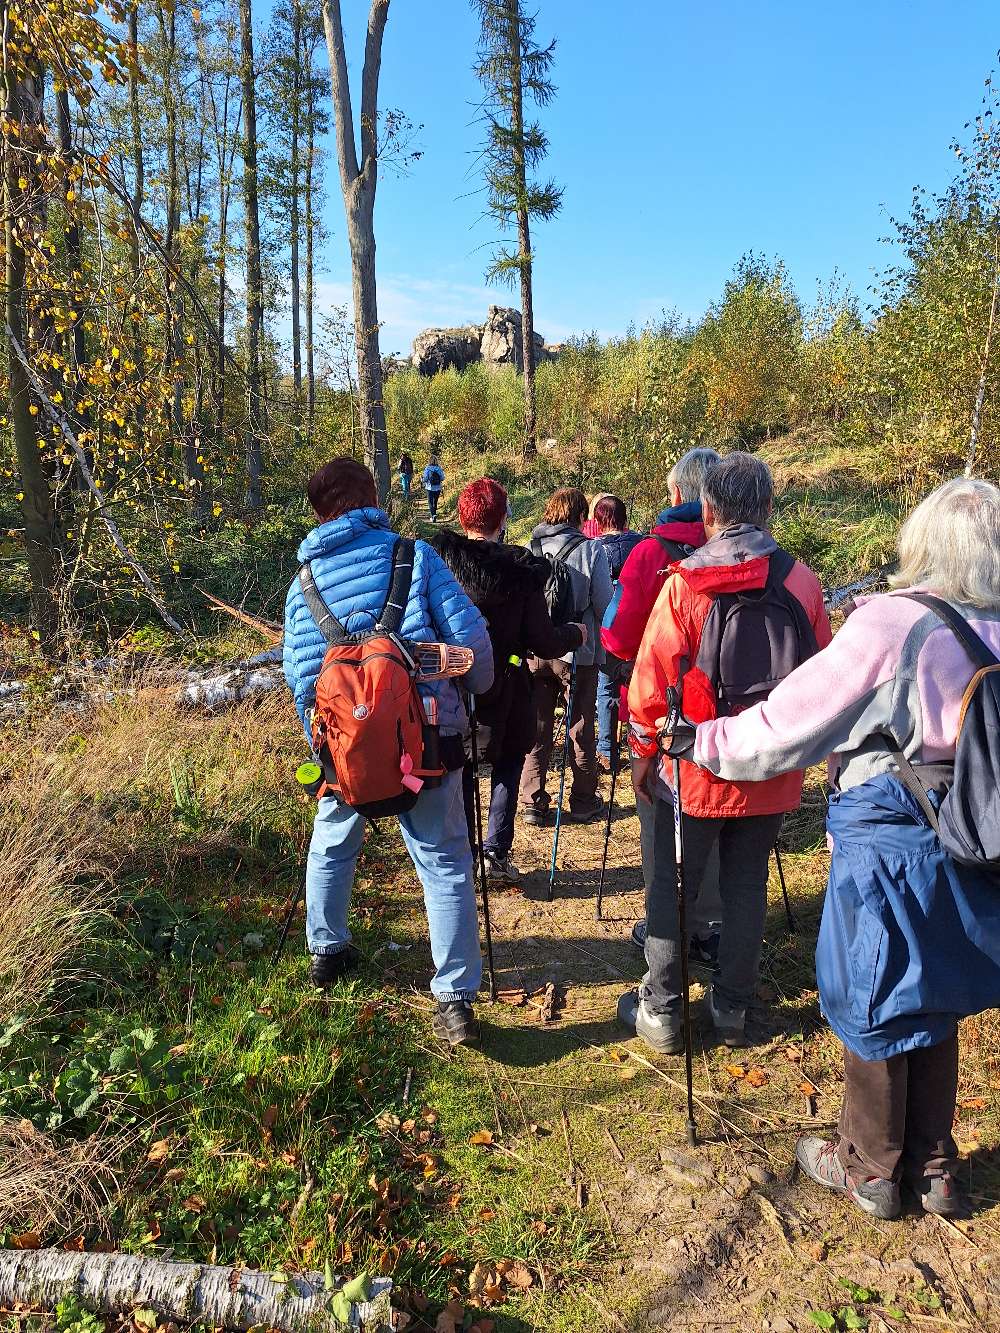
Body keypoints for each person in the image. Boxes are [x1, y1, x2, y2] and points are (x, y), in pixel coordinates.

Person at [677, 477, 1000, 1220]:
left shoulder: (892, 623)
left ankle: (872, 1166)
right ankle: (937, 1163)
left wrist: (707, 742)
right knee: (938, 985)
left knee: (874, 990)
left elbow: (793, 720)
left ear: (925, 542)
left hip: (891, 829)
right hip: (977, 830)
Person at [282, 457, 494, 1047]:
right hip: (424, 740)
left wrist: (330, 748)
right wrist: (476, 690)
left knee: (331, 842)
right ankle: (454, 998)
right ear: (371, 497)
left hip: (344, 745)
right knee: (444, 861)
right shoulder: (414, 555)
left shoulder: (303, 583)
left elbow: (302, 679)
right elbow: (471, 639)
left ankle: (327, 951)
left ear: (320, 512)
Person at [625, 452, 831, 1053]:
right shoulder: (801, 581)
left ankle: (662, 1009)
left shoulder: (685, 584)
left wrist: (643, 752)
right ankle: (733, 1007)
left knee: (673, 886)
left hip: (694, 768)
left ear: (708, 511)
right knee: (746, 886)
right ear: (768, 508)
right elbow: (822, 676)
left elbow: (650, 683)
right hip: (770, 766)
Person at [601, 447, 724, 965]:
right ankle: (713, 926)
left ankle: (664, 926)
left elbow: (614, 633)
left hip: (664, 708)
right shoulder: (755, 553)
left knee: (659, 813)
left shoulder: (650, 553)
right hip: (732, 713)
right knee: (720, 813)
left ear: (676, 495)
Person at [430, 478, 586, 883]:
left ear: (462, 516)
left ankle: (464, 851)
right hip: (511, 682)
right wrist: (576, 633)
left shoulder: (440, 566)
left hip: (455, 684)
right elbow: (544, 640)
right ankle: (496, 853)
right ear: (503, 519)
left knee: (460, 762)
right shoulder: (520, 572)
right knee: (509, 760)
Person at [519, 487, 614, 826]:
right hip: (578, 651)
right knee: (581, 725)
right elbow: (604, 606)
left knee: (538, 725)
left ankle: (533, 800)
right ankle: (584, 800)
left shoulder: (530, 547)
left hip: (536, 650)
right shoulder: (591, 550)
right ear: (579, 516)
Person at [593, 495, 643, 770]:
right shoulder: (642, 544)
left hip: (608, 629)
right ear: (624, 519)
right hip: (640, 629)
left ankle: (606, 751)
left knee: (607, 689)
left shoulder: (594, 549)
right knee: (641, 686)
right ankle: (639, 744)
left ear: (598, 521)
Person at [422, 455, 445, 521]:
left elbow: (425, 478)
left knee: (430, 502)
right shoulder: (439, 468)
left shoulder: (427, 468)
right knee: (435, 502)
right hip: (438, 487)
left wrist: (422, 480)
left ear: (429, 461)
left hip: (429, 487)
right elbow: (443, 478)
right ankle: (434, 514)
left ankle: (433, 515)